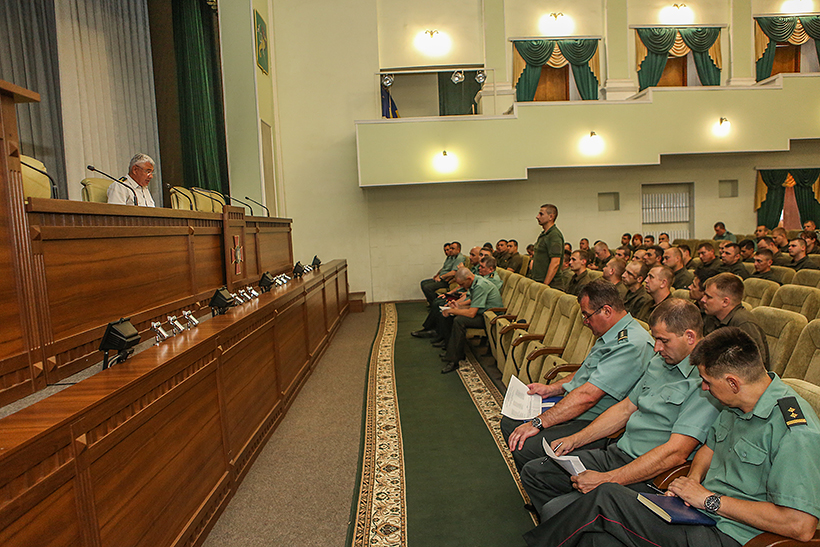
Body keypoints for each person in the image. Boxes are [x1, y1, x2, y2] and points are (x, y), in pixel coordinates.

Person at [522, 327, 820, 547]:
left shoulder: (795, 431)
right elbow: (710, 446)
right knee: (596, 541)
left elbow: (801, 525)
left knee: (606, 496)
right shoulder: (737, 402)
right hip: (699, 513)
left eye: (707, 381)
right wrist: (693, 480)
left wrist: (710, 500)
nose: (703, 388)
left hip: (731, 535)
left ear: (732, 382)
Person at [520, 299, 721, 521]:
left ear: (690, 337)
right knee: (535, 473)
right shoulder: (660, 361)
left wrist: (608, 479)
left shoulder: (705, 382)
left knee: (558, 510)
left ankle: (570, 524)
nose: (656, 348)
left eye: (664, 340)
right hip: (618, 453)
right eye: (655, 339)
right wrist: (575, 440)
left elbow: (676, 452)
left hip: (648, 474)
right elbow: (625, 409)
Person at [501, 280, 655, 470]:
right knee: (510, 423)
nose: (585, 321)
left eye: (587, 315)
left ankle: (543, 481)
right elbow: (585, 371)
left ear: (606, 311)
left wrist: (538, 423)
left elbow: (588, 396)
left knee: (525, 445)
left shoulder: (632, 344)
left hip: (592, 419)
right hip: (577, 407)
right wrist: (552, 389)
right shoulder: (611, 333)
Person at [438, 268, 502, 374]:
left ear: (468, 278)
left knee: (459, 320)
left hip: (491, 318)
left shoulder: (480, 285)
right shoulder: (475, 283)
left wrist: (452, 310)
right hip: (483, 313)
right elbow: (474, 306)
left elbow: (471, 313)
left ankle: (454, 360)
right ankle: (454, 352)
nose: (461, 287)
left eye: (462, 284)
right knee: (453, 316)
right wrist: (457, 307)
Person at [700, 272, 769, 367]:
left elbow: (755, 365)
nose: (703, 300)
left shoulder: (744, 324)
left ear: (725, 302)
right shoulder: (712, 317)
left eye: (708, 297)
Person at [528, 204, 564, 289]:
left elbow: (555, 262)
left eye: (541, 214)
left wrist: (545, 285)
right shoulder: (544, 234)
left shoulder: (554, 235)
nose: (537, 217)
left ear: (551, 217)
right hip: (540, 281)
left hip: (551, 284)